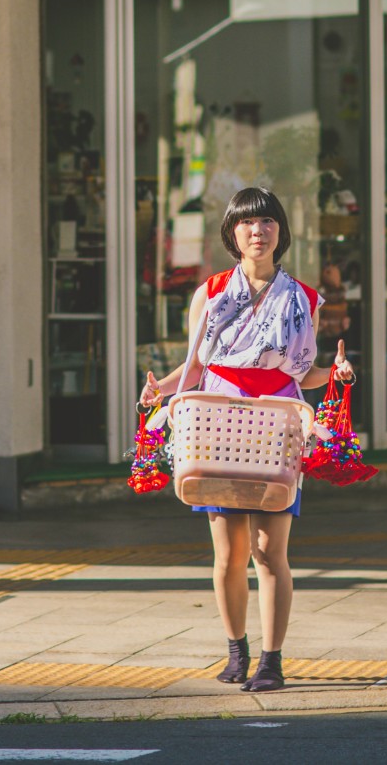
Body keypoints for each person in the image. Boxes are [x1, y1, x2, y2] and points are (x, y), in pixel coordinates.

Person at [139, 186, 355, 693]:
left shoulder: (303, 298)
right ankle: (236, 651)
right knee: (228, 552)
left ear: (280, 231)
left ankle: (272, 660)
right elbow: (193, 367)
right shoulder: (210, 292)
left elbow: (304, 374)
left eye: (268, 223)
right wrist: (160, 392)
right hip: (216, 419)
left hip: (277, 423)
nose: (258, 231)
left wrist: (337, 373)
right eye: (247, 224)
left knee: (268, 549)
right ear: (232, 234)